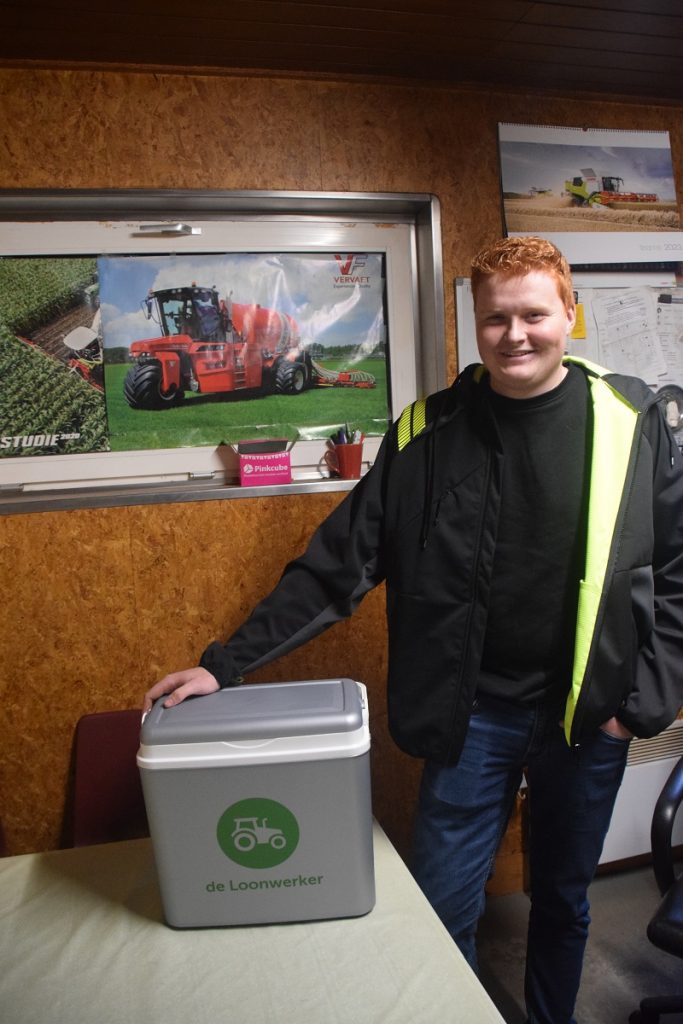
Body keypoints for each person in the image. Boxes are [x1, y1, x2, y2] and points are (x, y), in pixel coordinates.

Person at [144, 236, 683, 1024]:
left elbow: (675, 572)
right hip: (471, 719)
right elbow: (338, 565)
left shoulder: (633, 419)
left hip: (585, 719)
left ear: (569, 314)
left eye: (533, 314)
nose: (515, 334)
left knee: (563, 905)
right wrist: (224, 666)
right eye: (495, 318)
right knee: (438, 911)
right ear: (475, 323)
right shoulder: (426, 432)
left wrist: (635, 705)